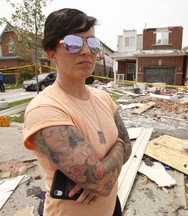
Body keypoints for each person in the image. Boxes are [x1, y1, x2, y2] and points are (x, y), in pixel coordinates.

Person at [23, 8, 132, 216]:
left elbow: (128, 149)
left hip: (111, 208)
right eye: (73, 43)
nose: (86, 51)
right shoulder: (45, 109)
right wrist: (117, 149)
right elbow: (101, 180)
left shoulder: (103, 98)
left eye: (92, 43)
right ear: (51, 53)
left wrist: (97, 177)